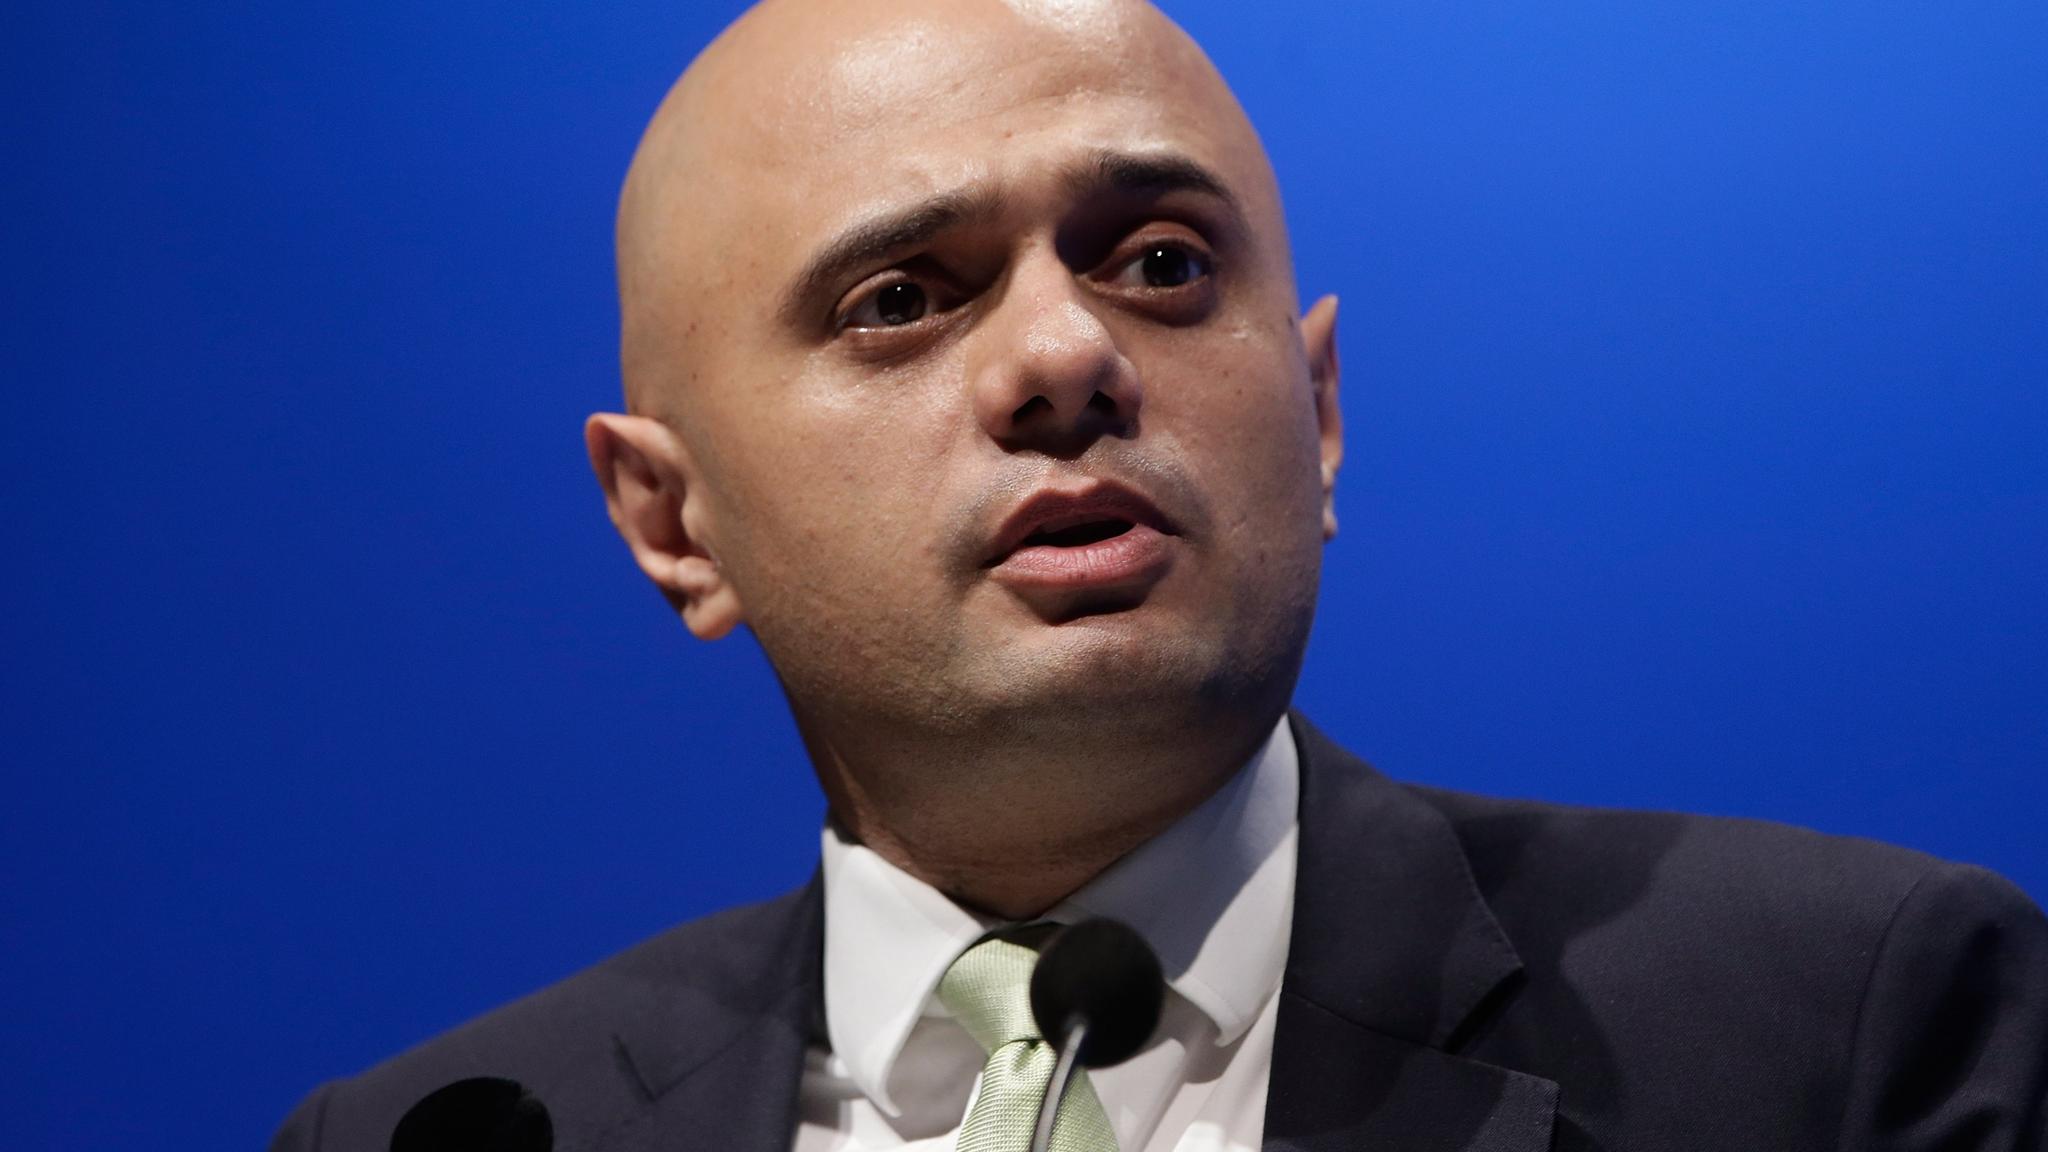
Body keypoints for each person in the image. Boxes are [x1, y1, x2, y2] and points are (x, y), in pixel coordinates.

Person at [271, 0, 2048, 1148]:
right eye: (901, 298)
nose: (1069, 356)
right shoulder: (444, 1130)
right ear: (674, 522)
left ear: (1321, 414)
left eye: (1162, 262)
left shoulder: (1847, 1028)